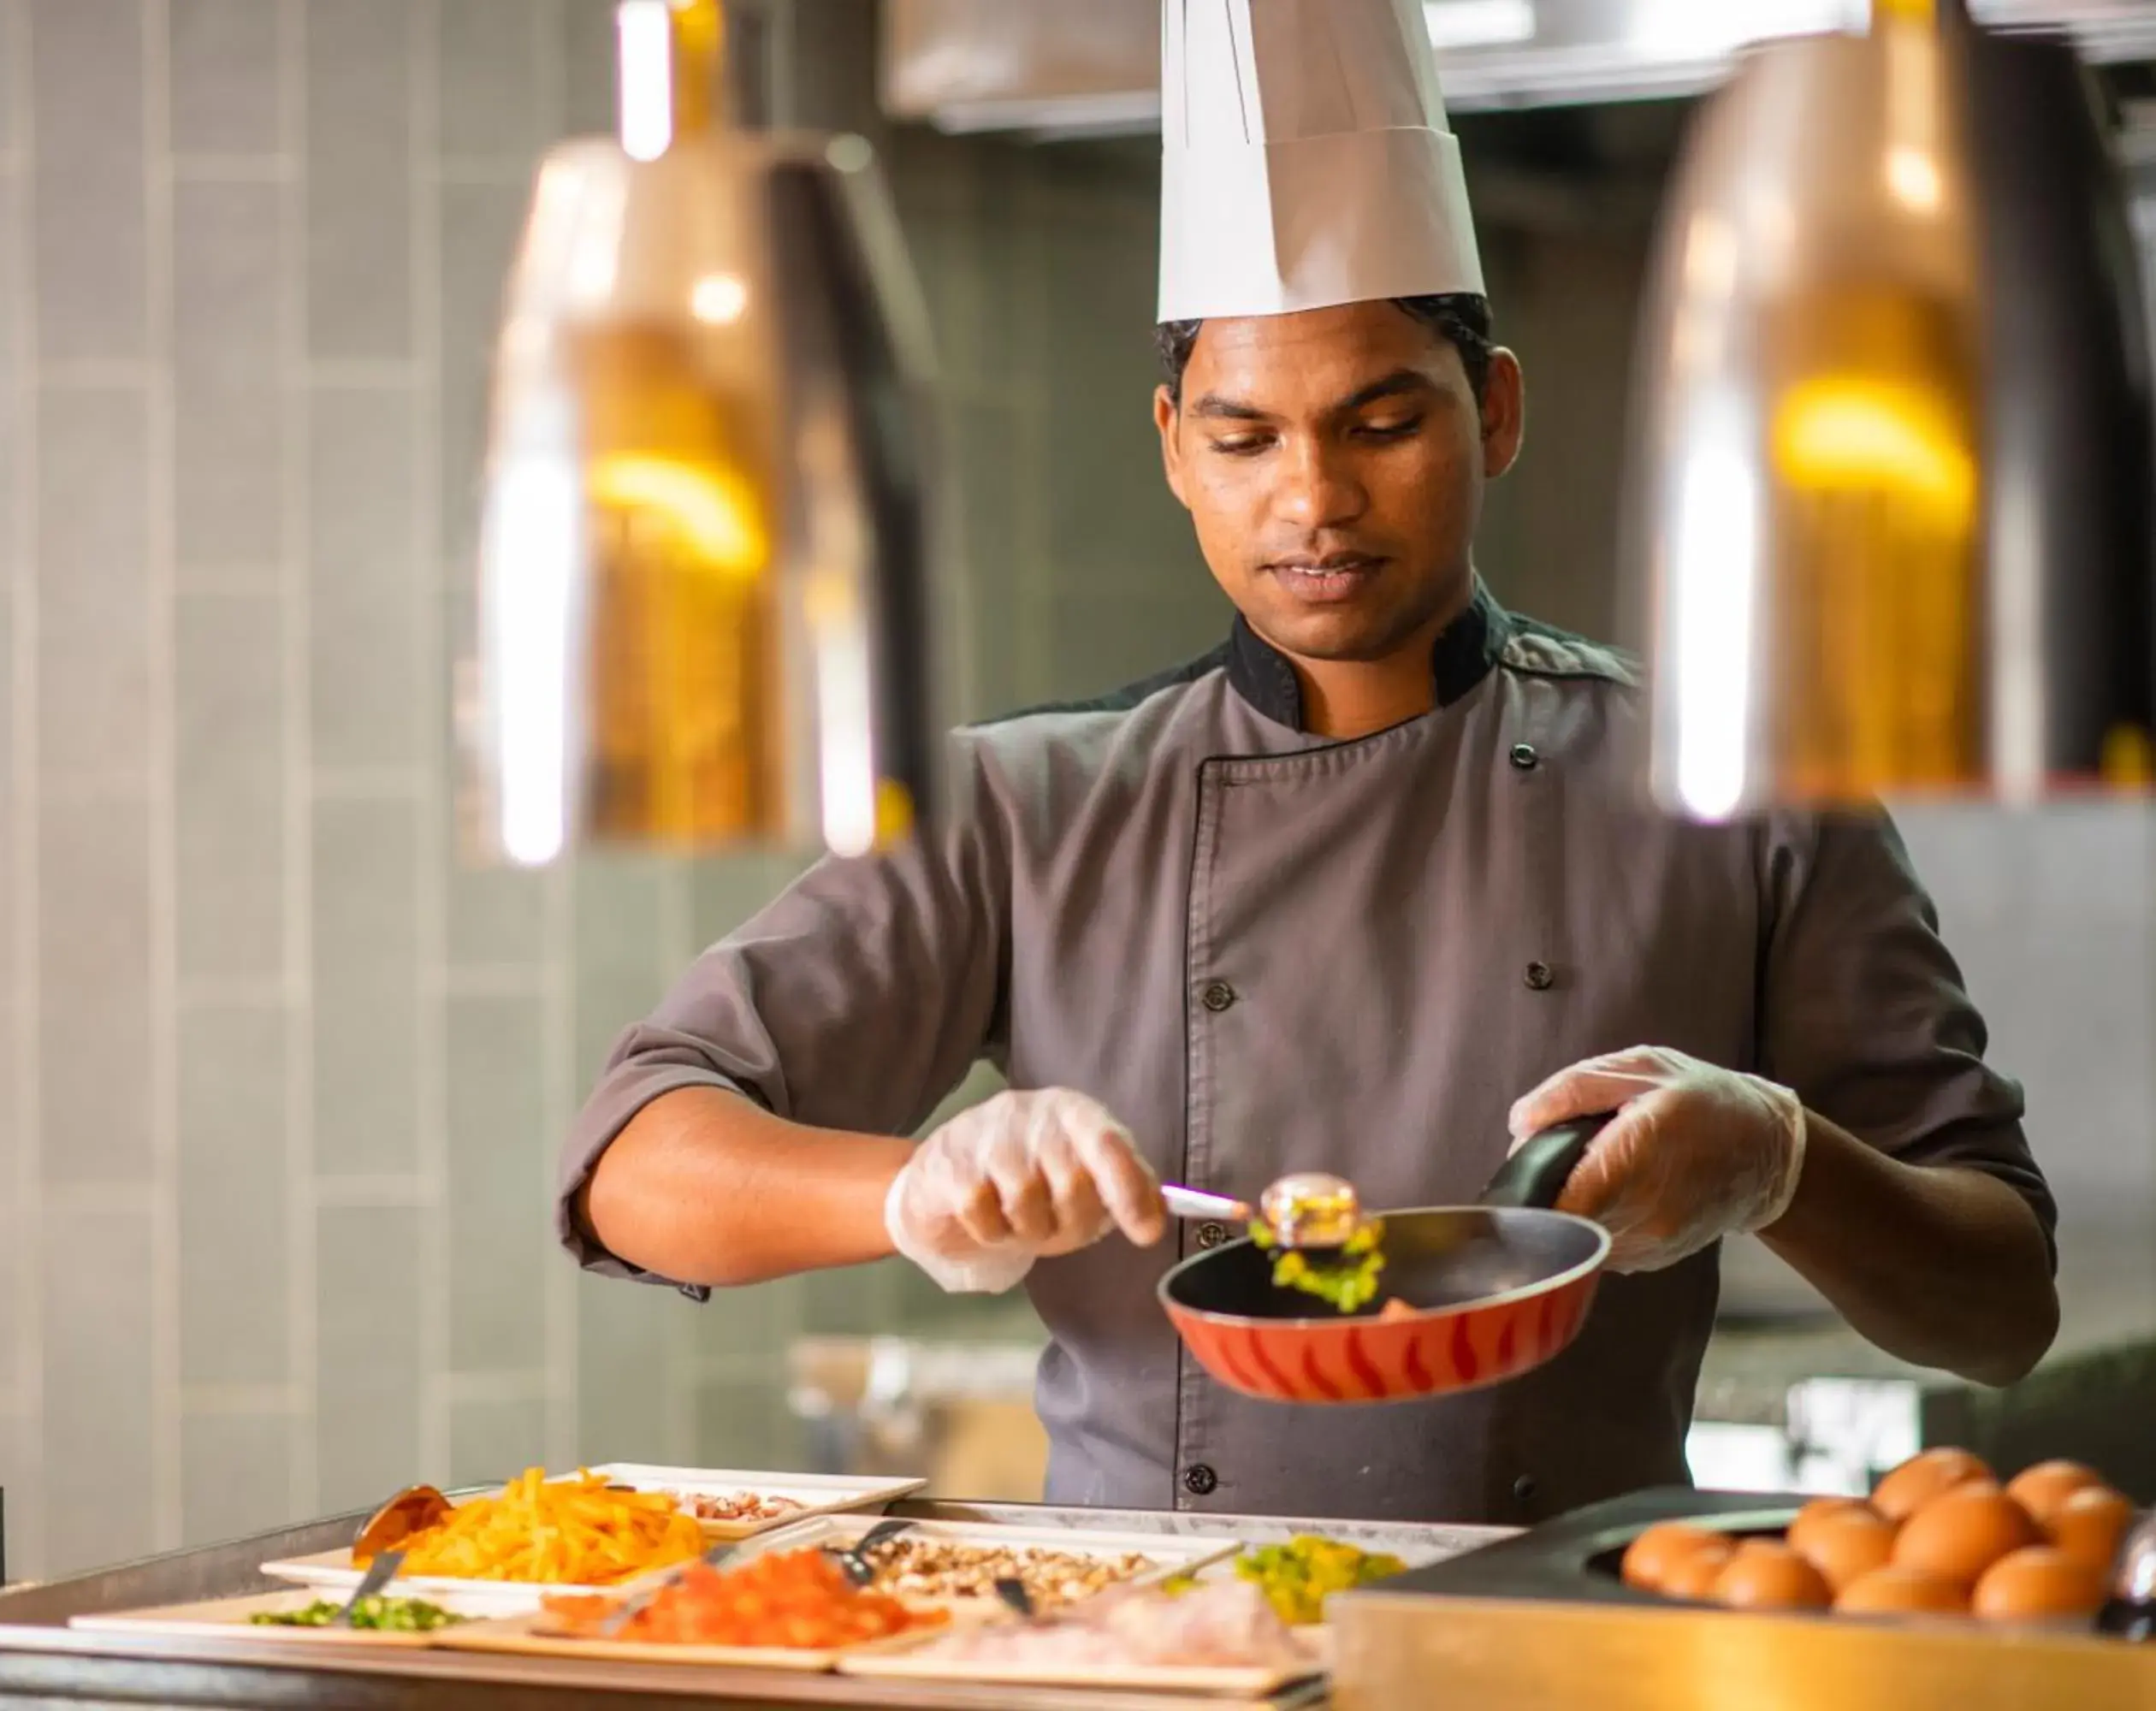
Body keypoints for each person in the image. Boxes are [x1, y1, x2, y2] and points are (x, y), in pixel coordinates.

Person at [554, 0, 2058, 1525]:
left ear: (1497, 410)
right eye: (1245, 438)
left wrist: (1785, 1161)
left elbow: (2000, 1307)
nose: (1315, 500)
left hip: (1564, 1654)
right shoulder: (1028, 810)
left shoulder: (1746, 795)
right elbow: (634, 1166)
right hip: (1150, 1655)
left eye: (1383, 419)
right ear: (1169, 449)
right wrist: (909, 1187)